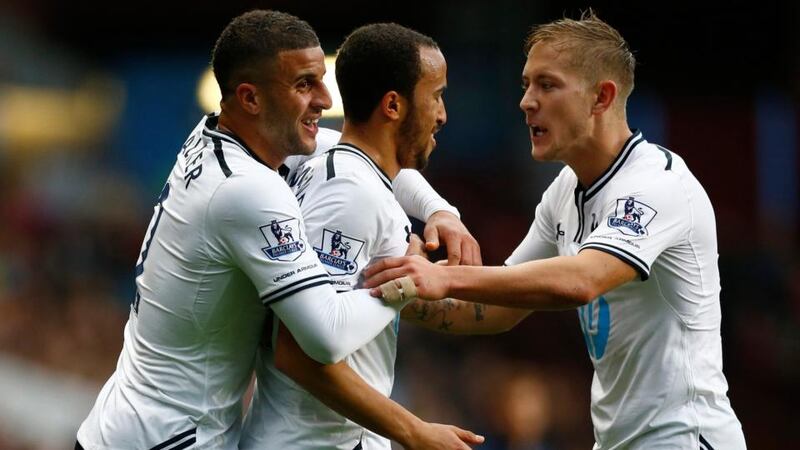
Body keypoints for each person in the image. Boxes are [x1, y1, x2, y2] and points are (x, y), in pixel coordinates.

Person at [75, 10, 479, 450]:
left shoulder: (221, 136)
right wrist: (408, 278)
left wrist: (440, 211)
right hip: (167, 437)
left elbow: (361, 152)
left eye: (322, 80)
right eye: (305, 84)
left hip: (125, 422)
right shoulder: (247, 192)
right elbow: (324, 338)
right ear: (250, 98)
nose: (325, 100)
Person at [365, 11, 747, 450]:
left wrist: (443, 276)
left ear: (602, 97)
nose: (527, 101)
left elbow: (583, 280)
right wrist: (400, 289)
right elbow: (496, 309)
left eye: (546, 85)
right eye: (526, 84)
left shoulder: (657, 184)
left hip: (686, 440)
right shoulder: (566, 189)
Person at [240, 22, 509, 450]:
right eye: (436, 96)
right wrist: (414, 431)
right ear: (392, 106)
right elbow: (300, 352)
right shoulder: (350, 194)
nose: (442, 114)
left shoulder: (334, 164)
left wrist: (442, 211)